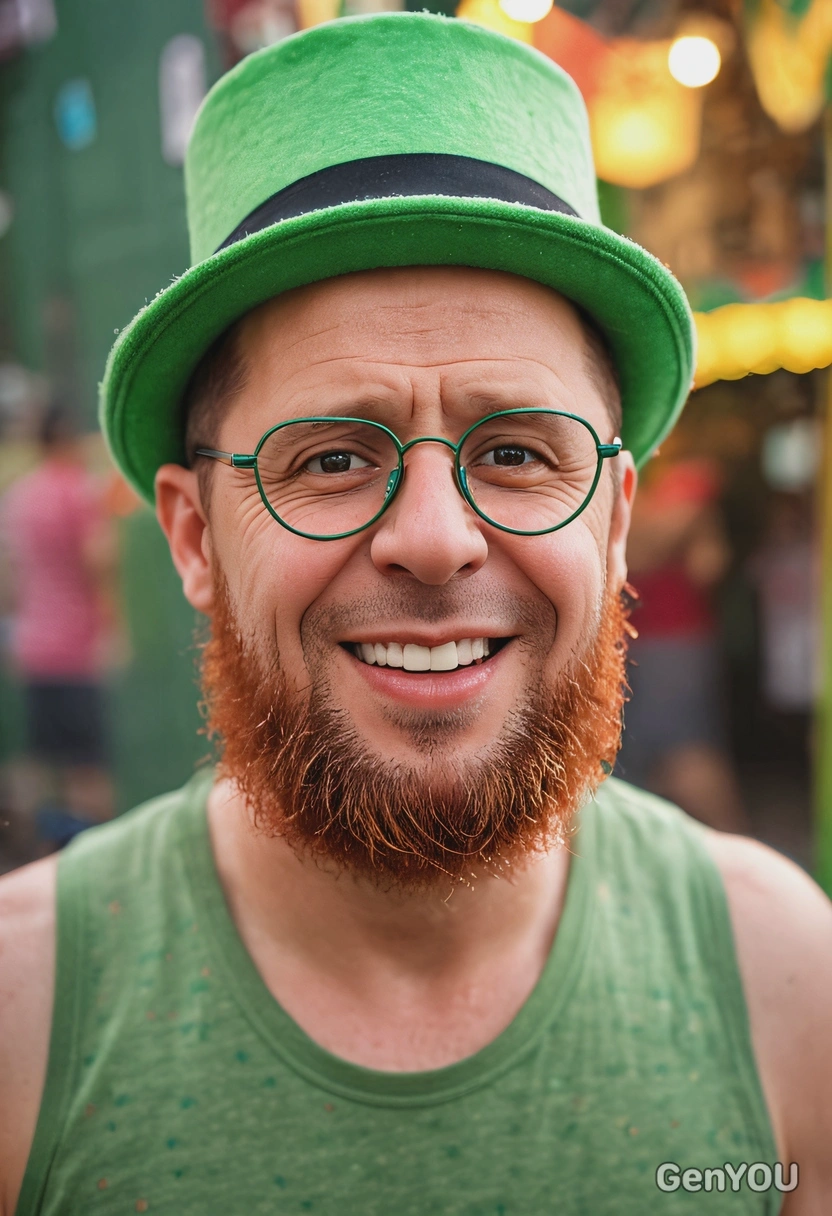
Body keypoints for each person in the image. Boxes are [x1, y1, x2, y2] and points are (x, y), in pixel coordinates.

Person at [1, 15, 830, 1214]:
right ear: (192, 536)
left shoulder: (785, 985)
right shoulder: (26, 1024)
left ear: (611, 518)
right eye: (332, 458)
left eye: (514, 452)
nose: (437, 539)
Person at [0, 403, 116, 851]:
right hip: (77, 648)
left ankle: (30, 854)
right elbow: (98, 559)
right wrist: (110, 624)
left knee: (40, 759)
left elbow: (10, 578)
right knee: (88, 767)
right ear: (66, 439)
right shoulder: (80, 491)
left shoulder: (20, 497)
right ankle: (96, 860)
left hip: (33, 648)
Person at [619, 456, 749, 833]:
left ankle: (736, 850)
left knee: (686, 752)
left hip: (673, 646)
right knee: (645, 758)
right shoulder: (658, 498)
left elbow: (703, 562)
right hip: (650, 645)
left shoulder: (686, 484)